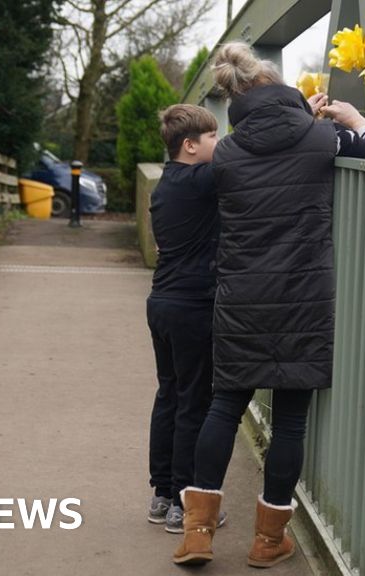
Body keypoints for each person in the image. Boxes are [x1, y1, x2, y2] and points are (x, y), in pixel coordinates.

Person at [172, 42, 365, 568]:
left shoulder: (227, 153)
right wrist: (353, 119)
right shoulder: (321, 137)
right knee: (289, 424)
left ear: (234, 98)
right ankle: (266, 542)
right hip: (303, 299)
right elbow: (364, 148)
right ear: (279, 87)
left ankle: (197, 533)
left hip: (242, 297)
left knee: (224, 405)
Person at [145, 104, 227, 534]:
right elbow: (248, 154)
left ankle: (161, 494)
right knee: (195, 401)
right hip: (193, 305)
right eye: (213, 137)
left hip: (161, 302)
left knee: (170, 396)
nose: (221, 142)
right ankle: (184, 499)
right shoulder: (200, 181)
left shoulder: (166, 184)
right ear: (190, 145)